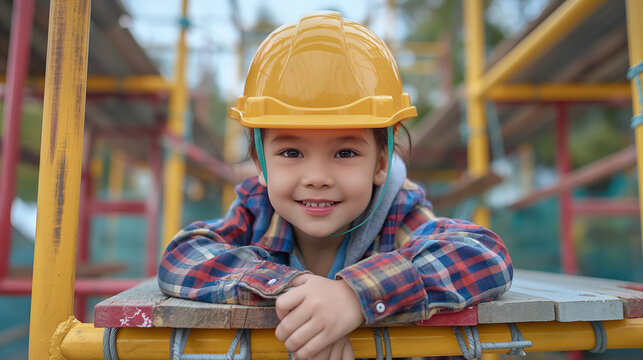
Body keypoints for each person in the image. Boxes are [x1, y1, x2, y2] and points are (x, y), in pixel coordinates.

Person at [159, 12, 512, 360]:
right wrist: (299, 290)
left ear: (380, 164)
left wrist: (354, 296)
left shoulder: (396, 211)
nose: (317, 176)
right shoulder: (257, 210)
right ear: (260, 166)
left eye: (344, 152)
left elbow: (486, 255)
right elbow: (182, 256)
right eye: (291, 151)